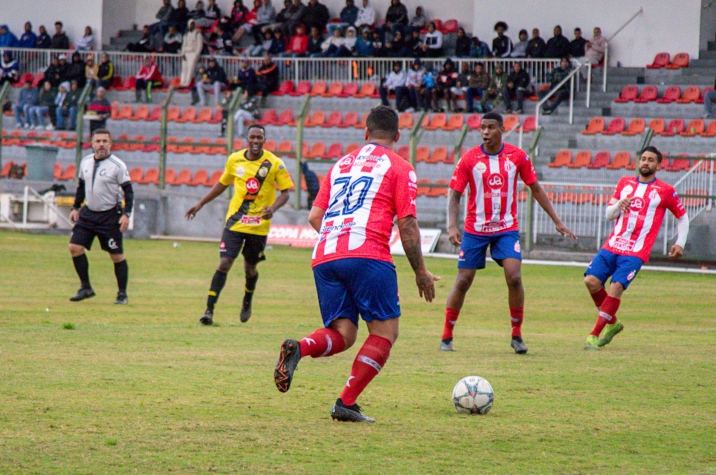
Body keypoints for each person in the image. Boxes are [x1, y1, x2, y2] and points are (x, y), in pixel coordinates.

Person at [273, 106, 439, 423]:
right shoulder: (400, 167)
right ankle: (346, 402)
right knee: (385, 332)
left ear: (365, 134)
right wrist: (421, 272)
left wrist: (340, 241)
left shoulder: (339, 165)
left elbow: (314, 217)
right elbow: (407, 226)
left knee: (344, 333)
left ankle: (301, 348)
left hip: (325, 254)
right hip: (368, 253)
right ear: (398, 137)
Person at [441, 112, 576, 353]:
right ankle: (446, 336)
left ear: (502, 129)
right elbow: (455, 195)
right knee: (463, 281)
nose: (485, 132)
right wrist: (452, 225)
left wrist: (557, 221)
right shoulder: (469, 159)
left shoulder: (517, 157)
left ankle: (516, 335)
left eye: (491, 127)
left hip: (506, 228)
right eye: (482, 128)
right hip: (476, 229)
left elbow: (536, 188)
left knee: (514, 277)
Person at [185, 124, 294, 325]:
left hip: (259, 225)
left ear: (264, 140)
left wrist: (273, 208)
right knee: (225, 263)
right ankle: (208, 311)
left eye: (259, 138)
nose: (255, 141)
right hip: (235, 222)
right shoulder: (235, 160)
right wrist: (200, 204)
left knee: (250, 269)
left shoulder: (274, 163)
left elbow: (286, 192)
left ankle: (247, 300)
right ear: (247, 139)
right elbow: (222, 183)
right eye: (252, 137)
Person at [583, 146, 688, 351]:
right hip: (612, 245)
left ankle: (594, 335)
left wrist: (680, 242)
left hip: (636, 251)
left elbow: (682, 217)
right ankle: (613, 324)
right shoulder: (625, 183)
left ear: (658, 165)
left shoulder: (665, 191)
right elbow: (609, 214)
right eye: (643, 159)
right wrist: (618, 206)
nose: (645, 163)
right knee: (591, 281)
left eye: (650, 160)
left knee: (616, 287)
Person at [68, 128, 134, 305]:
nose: (101, 144)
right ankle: (86, 288)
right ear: (92, 143)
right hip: (88, 213)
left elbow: (129, 191)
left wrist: (126, 214)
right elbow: (81, 186)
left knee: (116, 256)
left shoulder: (118, 166)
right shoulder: (86, 162)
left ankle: (122, 294)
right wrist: (75, 207)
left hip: (109, 216)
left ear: (110, 144)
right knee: (74, 247)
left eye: (105, 141)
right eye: (98, 141)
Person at [179, 19, 203, 88]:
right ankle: (182, 83)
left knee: (190, 68)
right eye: (191, 24)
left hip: (193, 53)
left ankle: (187, 84)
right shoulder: (186, 35)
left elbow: (199, 46)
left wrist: (196, 55)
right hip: (186, 53)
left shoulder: (198, 34)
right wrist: (182, 54)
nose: (192, 26)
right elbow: (183, 45)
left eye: (193, 24)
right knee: (184, 69)